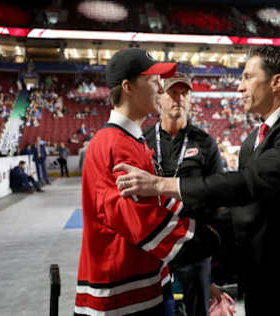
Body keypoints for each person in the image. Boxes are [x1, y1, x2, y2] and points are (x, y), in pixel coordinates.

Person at [114, 46, 280, 315]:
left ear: (277, 82)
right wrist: (188, 237)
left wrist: (160, 184)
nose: (239, 87)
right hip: (264, 284)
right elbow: (242, 208)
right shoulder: (253, 140)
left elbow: (248, 184)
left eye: (247, 77)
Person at [74, 48, 219, 316]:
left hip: (143, 283)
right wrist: (212, 238)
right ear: (128, 87)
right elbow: (143, 222)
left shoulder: (131, 141)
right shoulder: (114, 145)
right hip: (122, 295)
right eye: (153, 81)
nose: (160, 89)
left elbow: (159, 203)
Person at [144, 72, 222, 316]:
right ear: (160, 98)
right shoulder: (142, 141)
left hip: (193, 245)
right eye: (172, 92)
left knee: (198, 310)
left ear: (190, 99)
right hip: (153, 245)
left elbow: (217, 194)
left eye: (184, 93)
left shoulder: (206, 143)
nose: (179, 98)